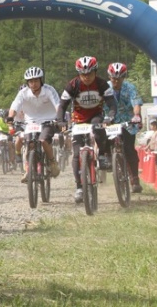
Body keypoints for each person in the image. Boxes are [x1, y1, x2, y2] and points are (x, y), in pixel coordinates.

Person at [56, 56, 117, 204]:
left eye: (89, 73)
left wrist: (110, 116)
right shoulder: (72, 85)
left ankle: (102, 154)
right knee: (76, 154)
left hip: (96, 115)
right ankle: (79, 187)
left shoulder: (102, 84)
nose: (86, 77)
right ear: (78, 74)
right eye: (83, 74)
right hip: (78, 119)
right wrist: (60, 121)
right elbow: (62, 106)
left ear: (95, 72)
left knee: (98, 128)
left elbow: (112, 103)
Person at [6, 67, 61, 183]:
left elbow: (58, 105)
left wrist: (60, 119)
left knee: (43, 140)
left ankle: (52, 162)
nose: (34, 84)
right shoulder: (23, 93)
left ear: (41, 80)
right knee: (28, 143)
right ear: (27, 83)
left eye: (36, 81)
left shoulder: (49, 90)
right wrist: (10, 119)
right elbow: (14, 107)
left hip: (48, 120)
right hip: (30, 123)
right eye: (31, 81)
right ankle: (28, 169)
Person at [105, 62, 143, 193]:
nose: (116, 81)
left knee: (129, 149)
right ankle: (110, 161)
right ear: (109, 77)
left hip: (127, 121)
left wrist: (137, 115)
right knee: (105, 143)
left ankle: (134, 178)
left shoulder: (130, 87)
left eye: (119, 78)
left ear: (124, 77)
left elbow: (136, 102)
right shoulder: (105, 88)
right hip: (110, 121)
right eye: (113, 78)